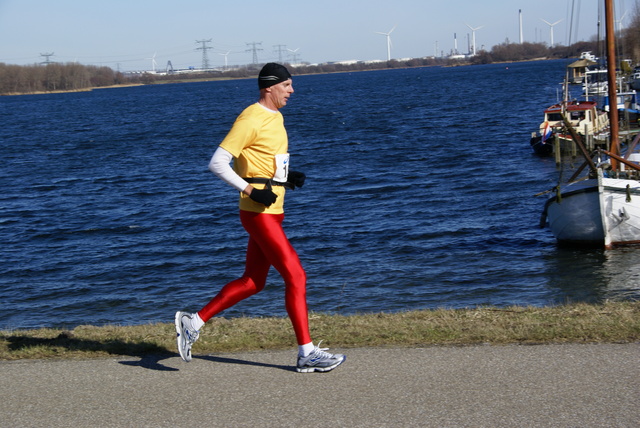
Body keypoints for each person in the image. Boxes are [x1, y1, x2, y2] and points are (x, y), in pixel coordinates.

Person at [175, 63, 345, 373]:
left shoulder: (275, 117)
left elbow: (261, 159)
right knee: (296, 276)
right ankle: (306, 352)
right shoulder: (250, 119)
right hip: (259, 214)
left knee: (253, 281)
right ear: (269, 87)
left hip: (274, 212)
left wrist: (284, 178)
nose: (292, 91)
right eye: (287, 85)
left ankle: (193, 322)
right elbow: (218, 163)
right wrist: (251, 190)